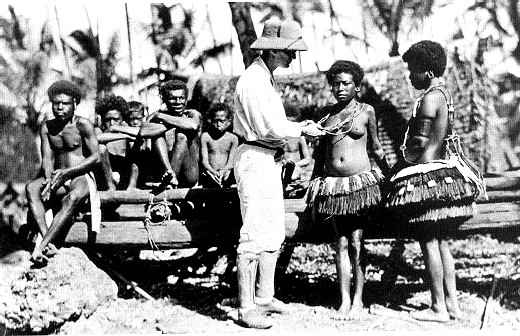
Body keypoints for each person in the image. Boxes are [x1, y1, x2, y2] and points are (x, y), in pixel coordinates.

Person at [232, 18, 324, 329]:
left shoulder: (266, 78)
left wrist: (299, 131)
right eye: (288, 52)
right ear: (272, 52)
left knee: (272, 231)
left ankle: (264, 297)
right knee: (253, 233)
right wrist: (303, 128)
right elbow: (269, 127)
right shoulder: (252, 82)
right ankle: (246, 308)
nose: (292, 57)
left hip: (268, 158)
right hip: (254, 157)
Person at [385, 40, 485, 322]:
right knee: (441, 242)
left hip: (425, 173)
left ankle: (438, 307)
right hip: (441, 168)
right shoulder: (445, 95)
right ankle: (452, 304)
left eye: (412, 70)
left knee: (428, 241)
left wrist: (400, 163)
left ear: (427, 72)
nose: (409, 76)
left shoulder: (429, 98)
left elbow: (418, 142)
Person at [306, 60, 390, 320]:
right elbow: (320, 155)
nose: (340, 88)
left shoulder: (366, 111)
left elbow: (376, 147)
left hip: (358, 185)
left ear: (357, 87)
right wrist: (312, 185)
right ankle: (343, 300)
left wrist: (390, 175)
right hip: (334, 188)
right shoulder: (327, 115)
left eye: (346, 83)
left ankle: (358, 300)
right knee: (340, 242)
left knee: (356, 241)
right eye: (335, 83)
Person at [25, 80, 100, 266]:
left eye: (65, 104)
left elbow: (95, 157)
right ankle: (46, 238)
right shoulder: (47, 127)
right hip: (56, 177)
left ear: (75, 103)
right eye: (56, 103)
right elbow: (47, 159)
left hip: (80, 175)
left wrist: (67, 173)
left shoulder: (83, 125)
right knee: (31, 188)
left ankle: (41, 246)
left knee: (72, 197)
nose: (59, 108)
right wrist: (50, 181)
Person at [148, 79, 202, 188]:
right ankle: (170, 174)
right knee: (156, 135)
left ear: (186, 99)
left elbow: (193, 125)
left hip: (189, 174)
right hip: (164, 174)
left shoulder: (192, 114)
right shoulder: (156, 116)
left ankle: (171, 177)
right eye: (173, 98)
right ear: (165, 99)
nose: (178, 102)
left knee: (181, 135)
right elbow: (143, 131)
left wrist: (160, 116)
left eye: (181, 98)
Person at [200, 103, 238, 188]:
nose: (218, 124)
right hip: (209, 174)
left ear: (229, 121)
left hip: (226, 174)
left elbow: (231, 162)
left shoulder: (233, 138)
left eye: (222, 121)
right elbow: (204, 161)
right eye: (215, 121)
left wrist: (224, 171)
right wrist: (212, 171)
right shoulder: (206, 137)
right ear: (211, 120)